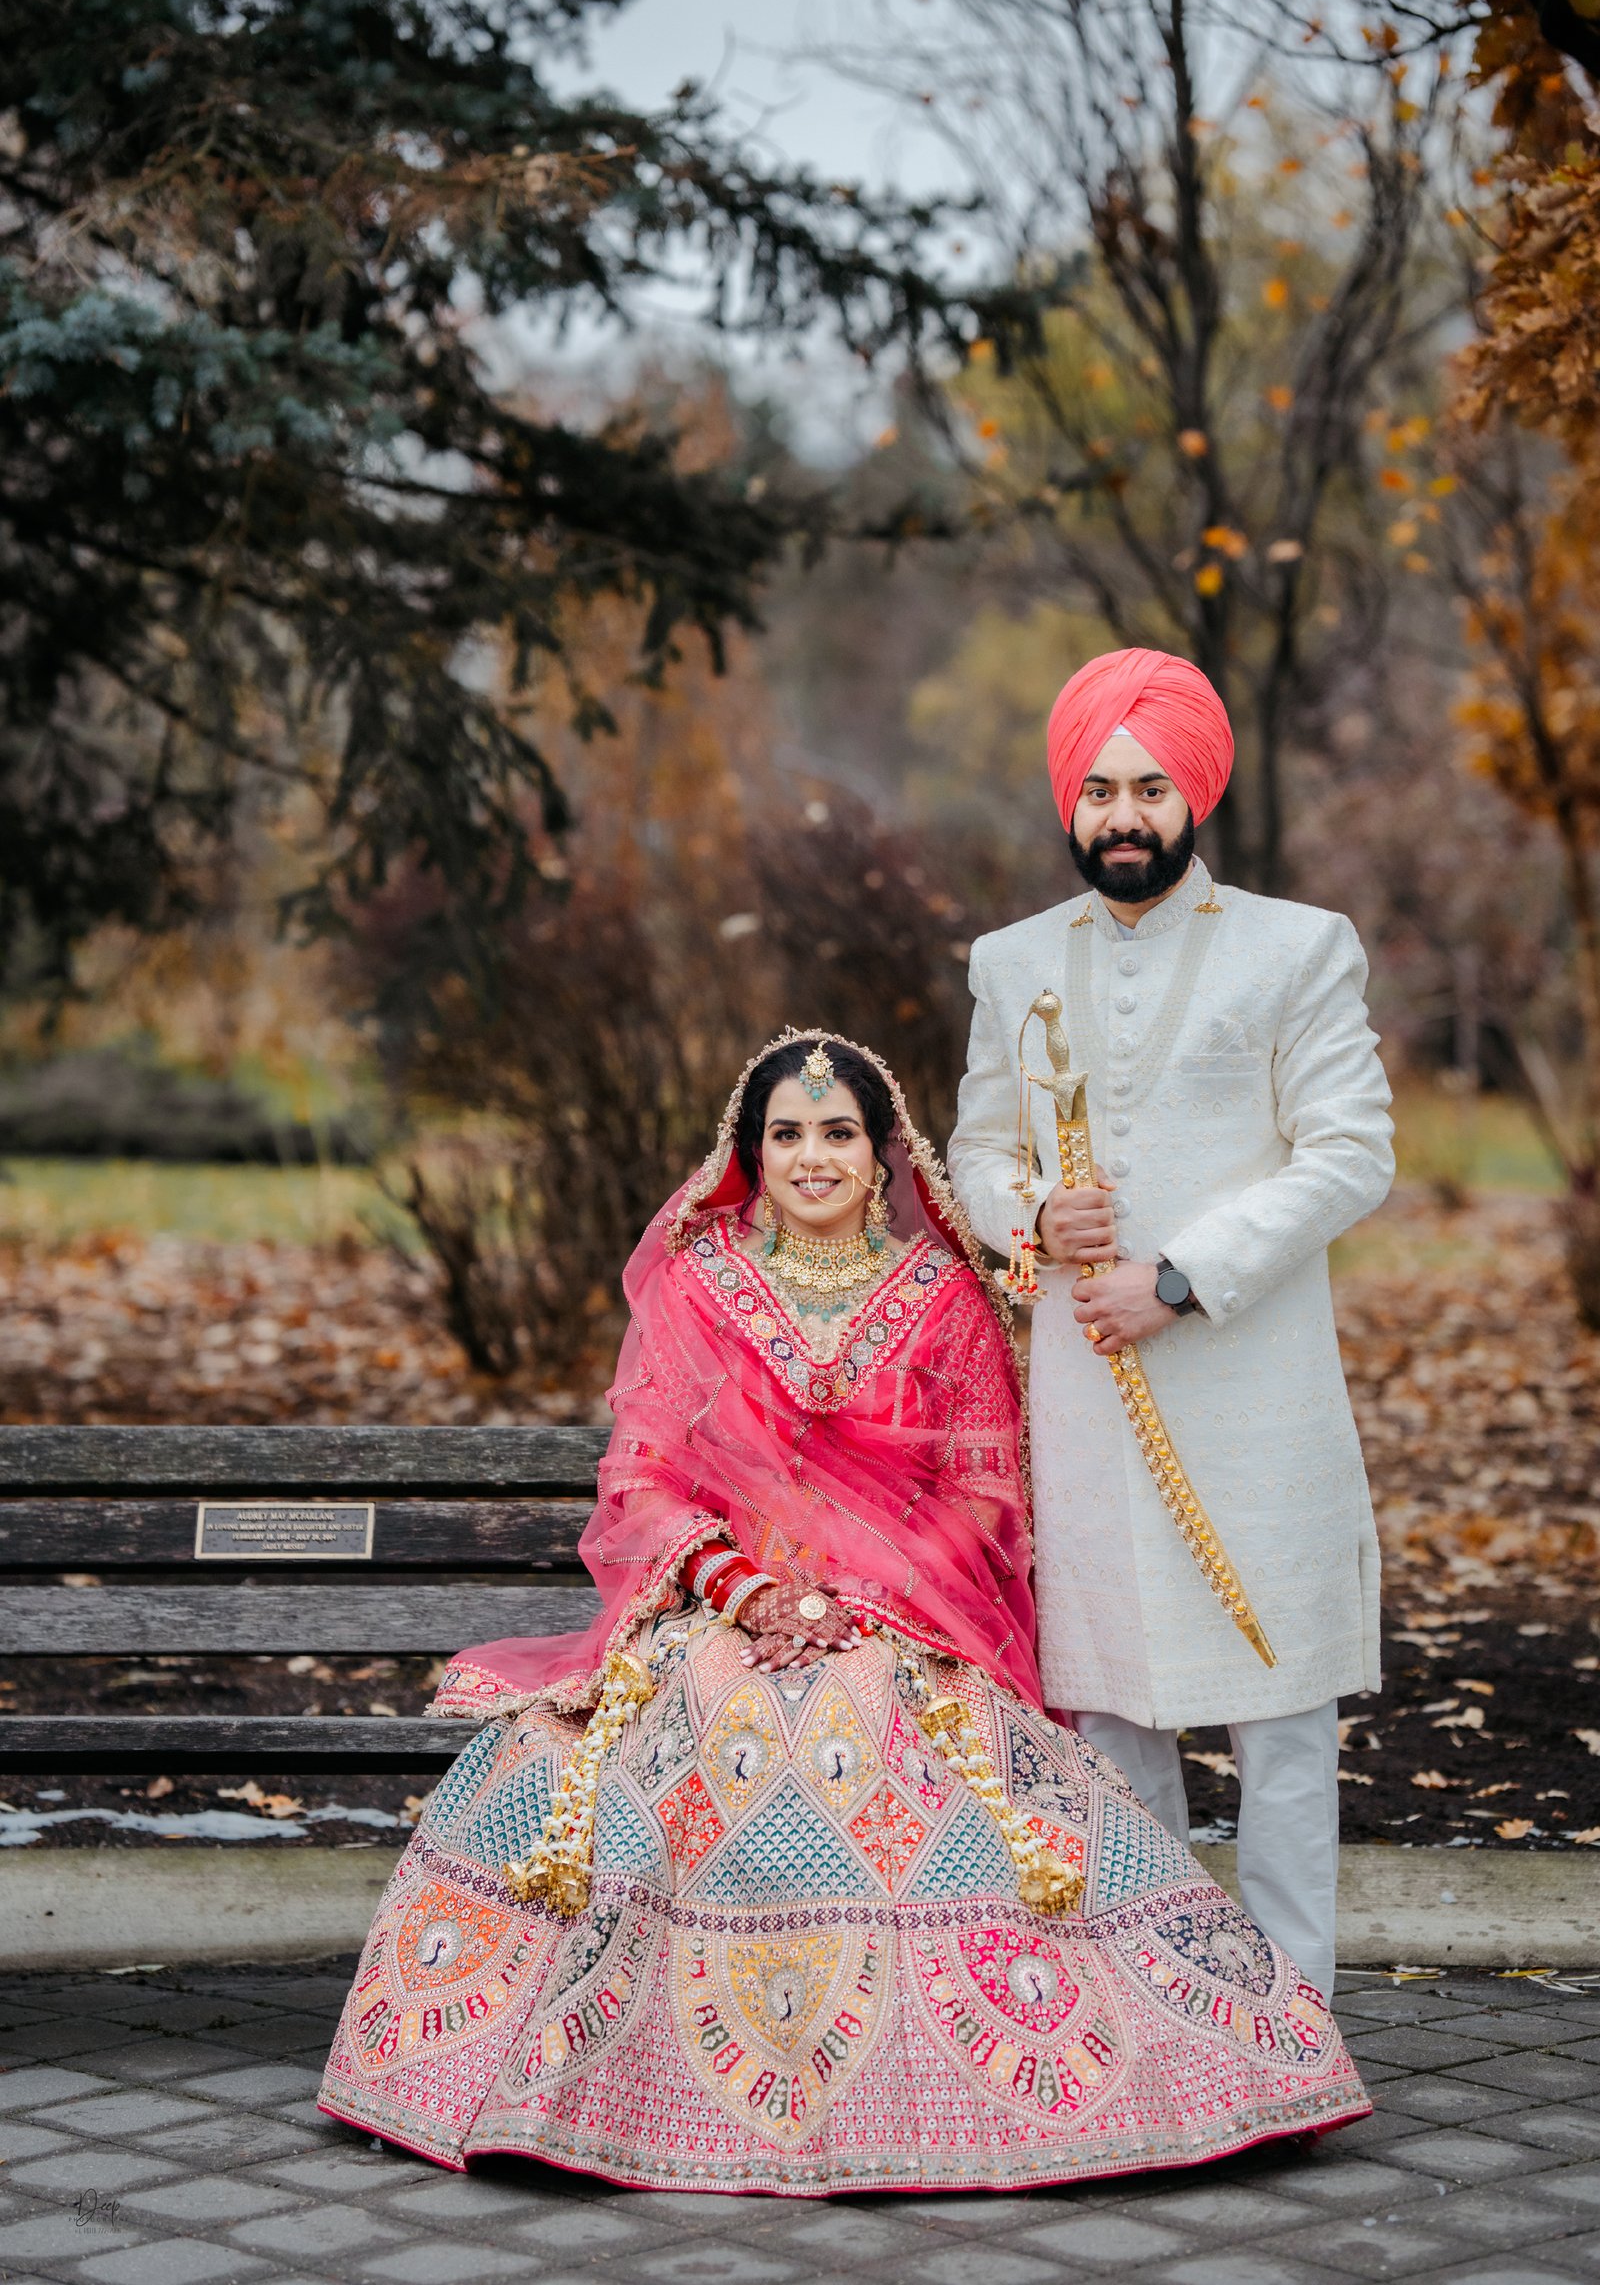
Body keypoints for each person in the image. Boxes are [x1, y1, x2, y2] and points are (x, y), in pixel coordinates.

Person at [320, 1029, 1369, 2191]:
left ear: (884, 1155)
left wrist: (862, 1597)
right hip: (723, 1615)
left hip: (904, 1622)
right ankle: (615, 2084)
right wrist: (749, 1588)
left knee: (879, 1724)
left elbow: (982, 1490)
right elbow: (643, 1479)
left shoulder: (943, 1297)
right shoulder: (697, 1284)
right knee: (690, 1719)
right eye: (786, 1135)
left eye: (838, 1134)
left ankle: (1005, 2084)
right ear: (749, 1152)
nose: (811, 1156)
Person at [948, 647, 1395, 2004]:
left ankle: (1292, 2013)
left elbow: (1350, 1154)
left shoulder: (1298, 945)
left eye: (1147, 786)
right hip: (1089, 1401)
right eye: (1097, 789)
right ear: (1068, 802)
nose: (1122, 814)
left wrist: (1183, 1275)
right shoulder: (1010, 961)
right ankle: (1161, 2015)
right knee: (1111, 1714)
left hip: (1254, 1399)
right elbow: (975, 1147)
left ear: (1194, 792)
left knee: (1280, 1720)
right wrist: (1033, 1225)